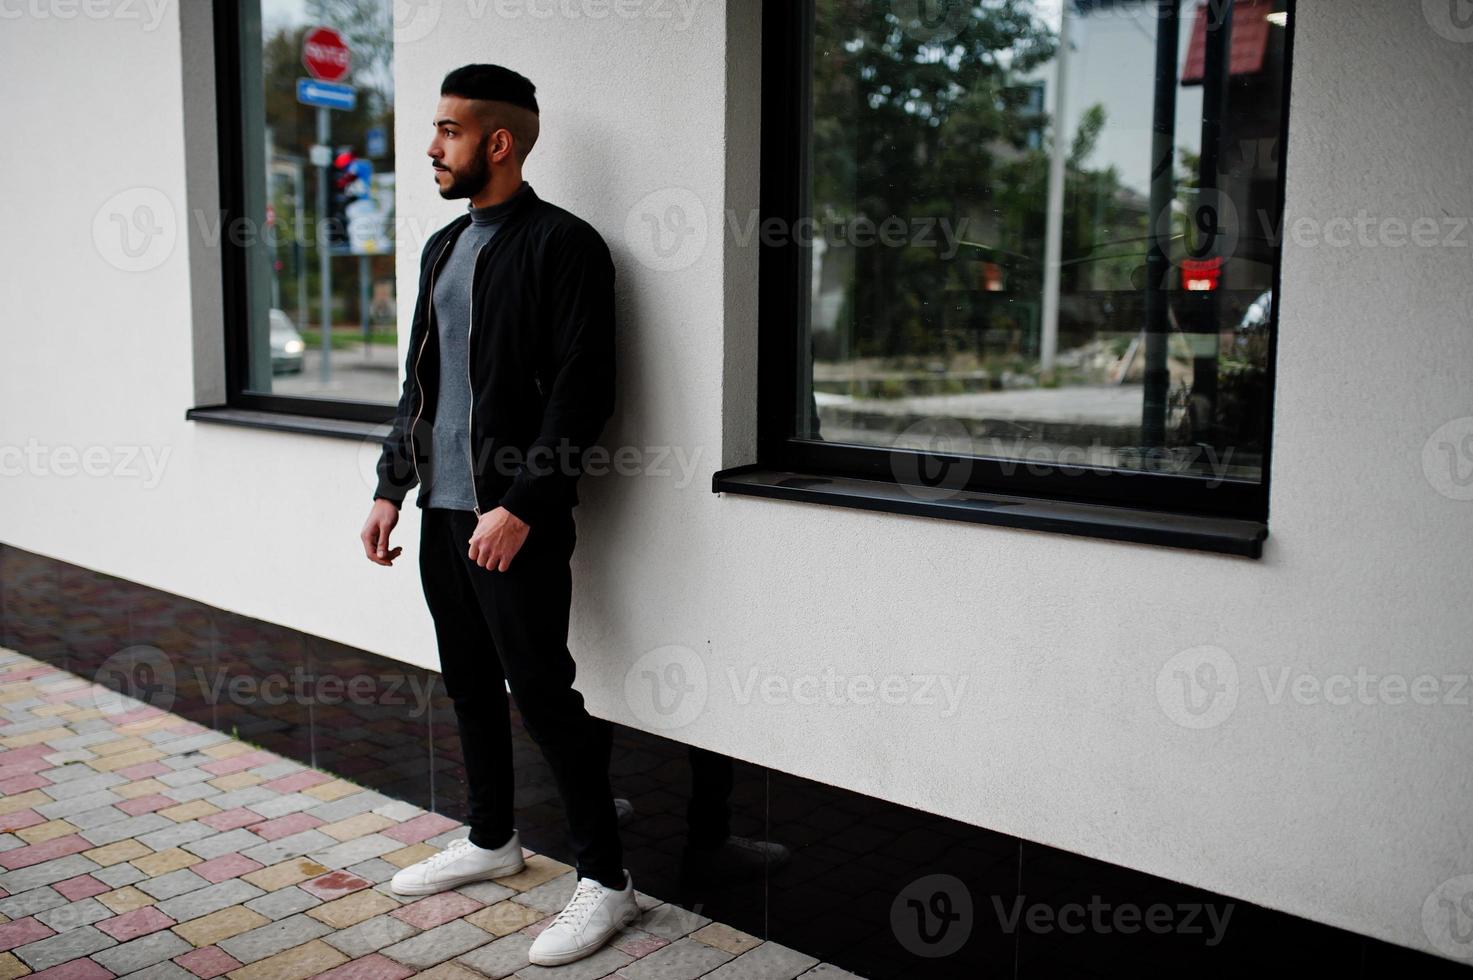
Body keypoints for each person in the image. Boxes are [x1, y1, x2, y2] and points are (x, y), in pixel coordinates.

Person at [359, 63, 634, 968]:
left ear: (498, 142)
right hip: (442, 513)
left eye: (446, 131)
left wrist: (523, 502)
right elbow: (421, 385)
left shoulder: (565, 246)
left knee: (544, 694)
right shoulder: (444, 248)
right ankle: (490, 839)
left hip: (513, 518)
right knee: (468, 684)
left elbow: (583, 393)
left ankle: (607, 881)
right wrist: (388, 487)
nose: (432, 147)